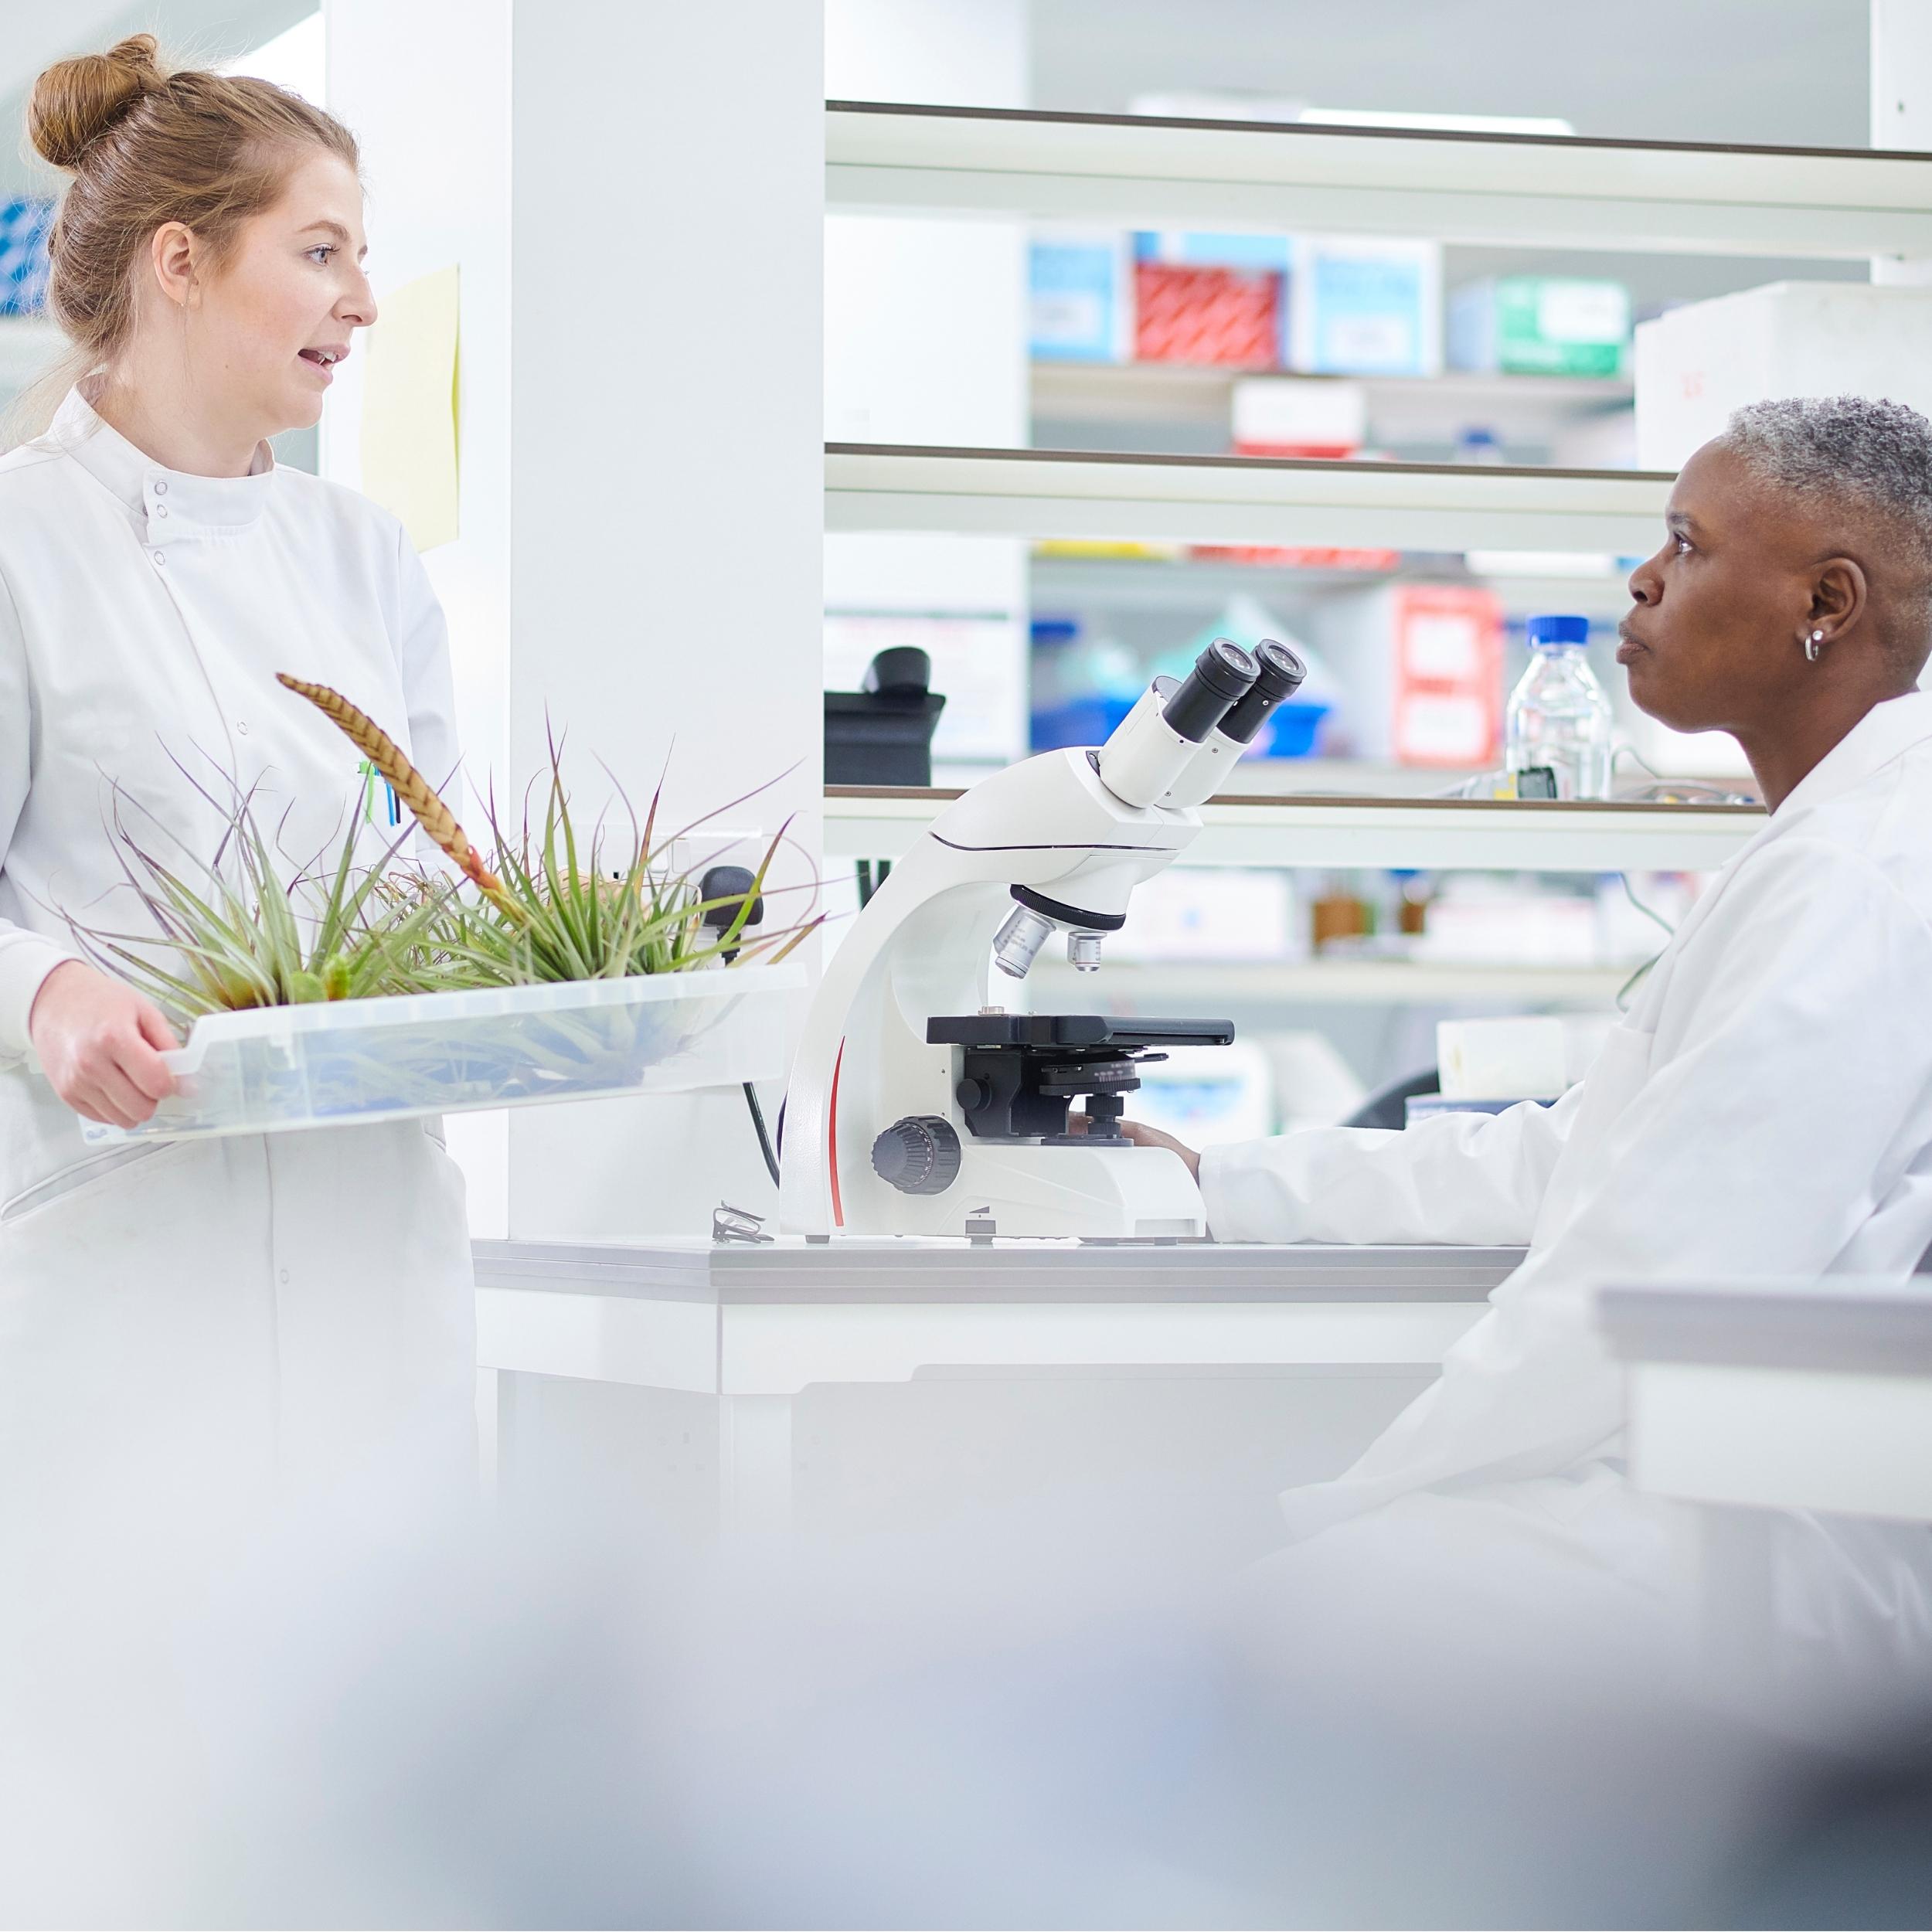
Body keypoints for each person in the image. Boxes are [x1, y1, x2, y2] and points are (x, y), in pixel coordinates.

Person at [1120, 395, 1932, 1660]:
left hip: (1779, 1543)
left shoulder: (1855, 875)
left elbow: (1655, 1272)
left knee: (1270, 1622)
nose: (1644, 580)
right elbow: (1583, 1152)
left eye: (1689, 545)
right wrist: (1225, 1183)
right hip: (1733, 1497)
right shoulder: (1844, 835)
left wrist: (1357, 1500)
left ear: (1826, 602)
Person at [0, 37, 474, 1532]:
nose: (365, 300)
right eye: (321, 251)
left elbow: (438, 876)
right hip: (110, 1263)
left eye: (363, 257)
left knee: (391, 1654)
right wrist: (44, 992)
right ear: (181, 263)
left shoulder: (364, 559)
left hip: (369, 1263)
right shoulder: (19, 546)